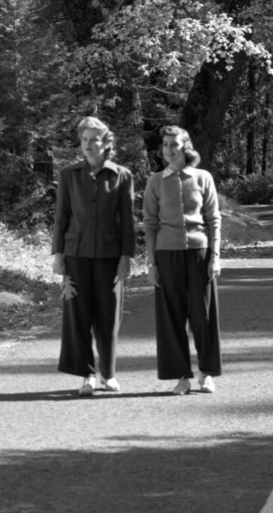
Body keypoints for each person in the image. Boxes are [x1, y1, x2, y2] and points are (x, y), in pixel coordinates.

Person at [50, 114, 137, 395]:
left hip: (111, 257)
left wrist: (127, 256)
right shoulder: (68, 175)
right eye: (84, 140)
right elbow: (61, 216)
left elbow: (128, 219)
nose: (88, 145)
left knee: (109, 315)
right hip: (76, 255)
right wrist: (58, 254)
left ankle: (108, 374)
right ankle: (86, 374)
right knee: (78, 315)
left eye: (93, 140)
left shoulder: (122, 175)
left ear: (105, 143)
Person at [142, 122, 222, 394]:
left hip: (199, 253)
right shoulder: (155, 182)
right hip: (167, 254)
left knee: (203, 316)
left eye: (174, 145)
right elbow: (150, 224)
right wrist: (151, 264)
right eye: (165, 145)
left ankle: (206, 372)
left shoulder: (203, 178)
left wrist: (215, 257)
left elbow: (213, 220)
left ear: (185, 148)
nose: (168, 150)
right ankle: (181, 377)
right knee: (171, 317)